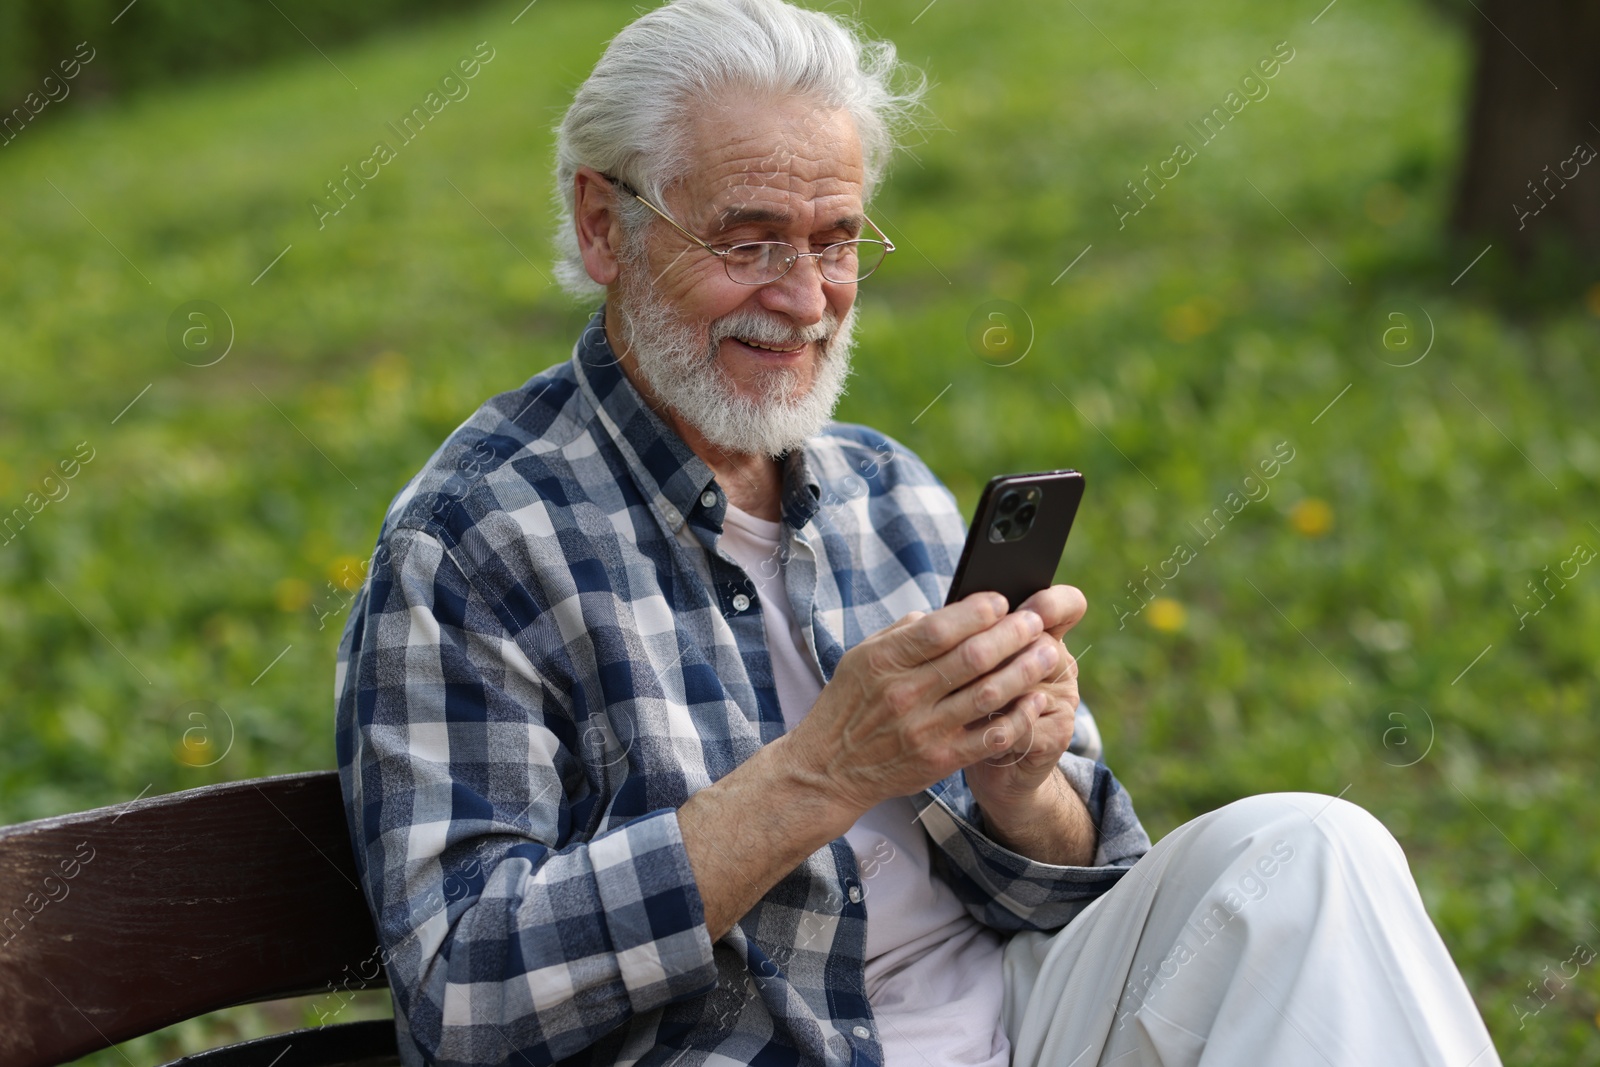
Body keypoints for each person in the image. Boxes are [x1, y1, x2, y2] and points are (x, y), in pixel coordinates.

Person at [333, 1, 1503, 1064]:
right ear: (604, 225)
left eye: (835, 239)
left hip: (1018, 1019)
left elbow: (1072, 878)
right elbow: (462, 996)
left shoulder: (887, 490)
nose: (802, 297)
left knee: (1309, 851)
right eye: (746, 243)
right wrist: (820, 771)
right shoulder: (472, 541)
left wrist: (1023, 783)